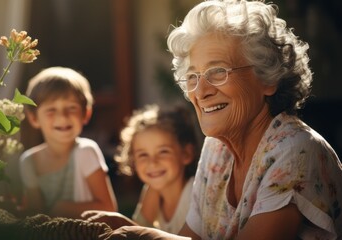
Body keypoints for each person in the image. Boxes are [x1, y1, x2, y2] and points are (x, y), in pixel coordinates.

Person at [97, 0, 342, 239]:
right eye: (193, 76)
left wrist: (147, 236)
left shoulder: (296, 150)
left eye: (218, 71)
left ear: (268, 78)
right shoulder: (216, 147)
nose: (200, 91)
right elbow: (191, 237)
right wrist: (126, 227)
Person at [82, 104, 200, 234]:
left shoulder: (195, 194)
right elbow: (139, 231)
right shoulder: (153, 190)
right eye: (143, 155)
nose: (152, 162)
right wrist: (118, 221)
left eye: (163, 152)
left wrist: (122, 223)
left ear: (186, 154)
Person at [19, 66, 117, 219]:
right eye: (51, 110)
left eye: (71, 108)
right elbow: (35, 213)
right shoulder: (29, 161)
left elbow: (109, 209)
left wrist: (63, 208)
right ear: (33, 118)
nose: (63, 117)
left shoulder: (86, 151)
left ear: (86, 114)